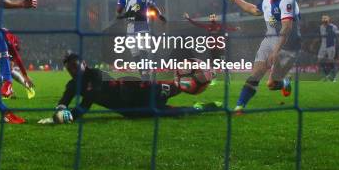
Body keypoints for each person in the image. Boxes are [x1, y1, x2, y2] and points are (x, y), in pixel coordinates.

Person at [45, 53, 219, 122]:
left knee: (173, 88)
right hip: (132, 111)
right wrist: (58, 112)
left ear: (84, 63)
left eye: (75, 66)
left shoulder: (95, 74)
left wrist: (72, 115)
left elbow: (90, 98)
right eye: (70, 69)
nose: (73, 70)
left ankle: (205, 76)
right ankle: (203, 107)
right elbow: (64, 100)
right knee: (175, 113)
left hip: (140, 91)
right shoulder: (73, 84)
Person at [228, 0, 299, 113]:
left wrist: (276, 51)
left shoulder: (287, 1)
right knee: (255, 74)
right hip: (269, 40)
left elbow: (287, 27)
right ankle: (239, 106)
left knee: (271, 85)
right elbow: (254, 10)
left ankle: (284, 82)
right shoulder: (266, 0)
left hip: (288, 44)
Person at [116, 0, 166, 79]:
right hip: (130, 26)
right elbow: (118, 13)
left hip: (142, 24)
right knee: (134, 52)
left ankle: (145, 74)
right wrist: (125, 14)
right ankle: (143, 75)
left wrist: (160, 16)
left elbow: (153, 7)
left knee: (143, 48)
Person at [183, 12, 240, 85]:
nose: (212, 18)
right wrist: (188, 19)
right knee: (212, 65)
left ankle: (227, 77)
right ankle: (213, 79)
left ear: (215, 18)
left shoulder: (220, 26)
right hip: (213, 49)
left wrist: (235, 29)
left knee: (223, 64)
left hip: (220, 49)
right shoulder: (208, 26)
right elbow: (197, 24)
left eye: (213, 16)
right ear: (210, 18)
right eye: (211, 17)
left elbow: (228, 28)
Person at [312, 15, 339, 82]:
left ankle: (334, 77)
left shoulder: (333, 27)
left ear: (328, 20)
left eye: (326, 20)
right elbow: (320, 37)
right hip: (323, 46)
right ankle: (328, 75)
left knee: (330, 61)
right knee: (319, 60)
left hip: (331, 46)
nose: (324, 21)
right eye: (323, 20)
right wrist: (313, 43)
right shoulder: (321, 27)